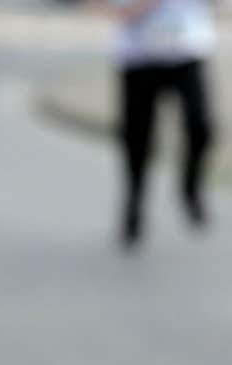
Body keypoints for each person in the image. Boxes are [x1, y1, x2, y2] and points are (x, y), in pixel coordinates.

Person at [96, 0, 217, 249]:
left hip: (186, 51)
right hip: (140, 56)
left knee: (201, 127)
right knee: (137, 139)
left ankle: (189, 190)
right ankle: (134, 208)